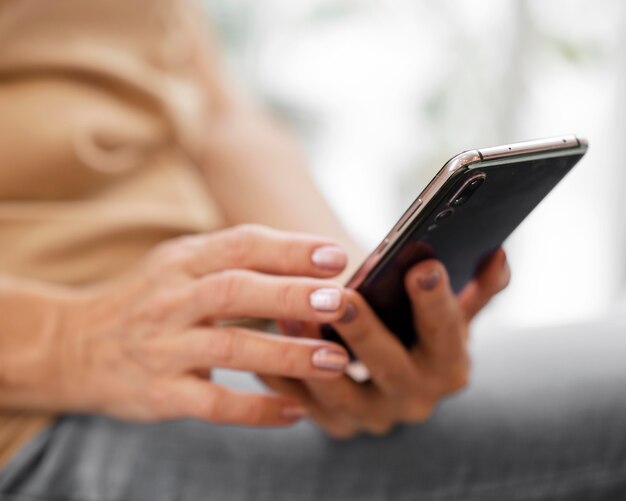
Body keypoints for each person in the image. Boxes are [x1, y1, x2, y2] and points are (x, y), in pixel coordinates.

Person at [0, 1, 624, 499]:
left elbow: (218, 119)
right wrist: (71, 341)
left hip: (201, 350)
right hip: (43, 412)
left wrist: (349, 301)